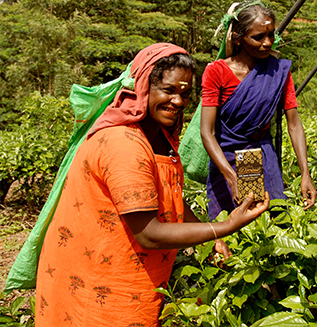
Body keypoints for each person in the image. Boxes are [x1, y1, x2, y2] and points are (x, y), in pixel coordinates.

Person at [35, 43, 269, 327]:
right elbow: (148, 233)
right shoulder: (124, 145)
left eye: (185, 94)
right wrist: (225, 226)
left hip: (134, 279)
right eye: (169, 90)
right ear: (144, 86)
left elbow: (166, 195)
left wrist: (213, 240)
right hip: (102, 286)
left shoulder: (157, 136)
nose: (178, 101)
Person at [200, 0, 317, 220]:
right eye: (258, 37)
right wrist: (230, 176)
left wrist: (305, 174)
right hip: (226, 158)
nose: (267, 43)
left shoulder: (278, 71)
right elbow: (207, 132)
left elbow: (294, 123)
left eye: (271, 35)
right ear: (238, 38)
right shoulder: (216, 72)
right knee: (226, 229)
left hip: (259, 155)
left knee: (263, 226)